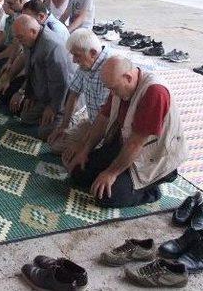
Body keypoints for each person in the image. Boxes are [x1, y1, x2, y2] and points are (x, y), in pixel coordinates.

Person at [64, 56, 188, 208]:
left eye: (113, 88)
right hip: (125, 144)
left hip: (153, 158)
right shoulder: (118, 84)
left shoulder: (155, 92)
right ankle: (120, 173)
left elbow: (136, 143)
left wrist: (111, 173)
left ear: (128, 78)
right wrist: (85, 150)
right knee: (78, 171)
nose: (112, 93)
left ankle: (152, 190)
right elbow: (103, 119)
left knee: (106, 196)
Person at [8, 15, 72, 139]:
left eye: (19, 37)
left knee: (45, 133)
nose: (17, 40)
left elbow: (62, 83)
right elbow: (31, 71)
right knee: (25, 117)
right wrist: (28, 94)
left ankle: (68, 117)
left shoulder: (51, 46)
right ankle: (46, 113)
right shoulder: (29, 40)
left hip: (62, 97)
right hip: (43, 93)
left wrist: (53, 108)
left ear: (33, 31)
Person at [48, 29, 111, 155]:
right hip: (93, 120)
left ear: (93, 53)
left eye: (76, 55)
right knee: (56, 145)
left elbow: (106, 117)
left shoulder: (109, 68)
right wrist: (64, 125)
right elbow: (73, 94)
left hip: (108, 129)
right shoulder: (86, 63)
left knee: (83, 164)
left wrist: (85, 143)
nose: (74, 60)